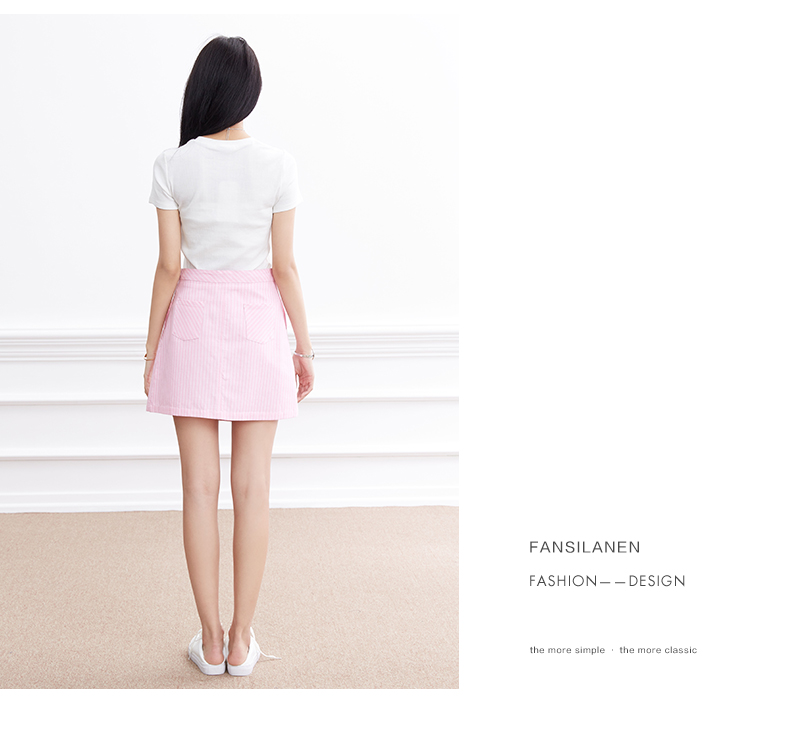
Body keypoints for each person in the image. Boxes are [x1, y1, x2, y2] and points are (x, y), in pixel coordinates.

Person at [142, 35, 315, 676]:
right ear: (250, 92)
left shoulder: (173, 163)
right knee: (253, 488)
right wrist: (304, 347)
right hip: (257, 328)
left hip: (191, 324)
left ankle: (210, 641)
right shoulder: (278, 165)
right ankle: (242, 642)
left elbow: (168, 266)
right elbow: (284, 266)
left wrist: (151, 350)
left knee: (198, 489)